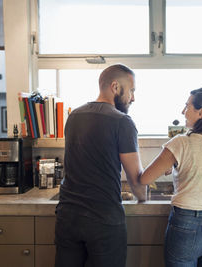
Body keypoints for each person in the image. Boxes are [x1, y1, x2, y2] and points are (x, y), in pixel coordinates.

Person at [55, 64, 147, 267]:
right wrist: (143, 197)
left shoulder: (74, 116)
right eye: (131, 90)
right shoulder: (123, 122)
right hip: (103, 220)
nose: (133, 98)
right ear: (115, 87)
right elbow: (135, 178)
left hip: (68, 217)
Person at [139, 88, 202, 267]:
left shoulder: (180, 143)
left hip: (185, 225)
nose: (183, 112)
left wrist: (171, 164)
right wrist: (178, 166)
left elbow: (144, 179)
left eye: (187, 106)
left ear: (201, 112)